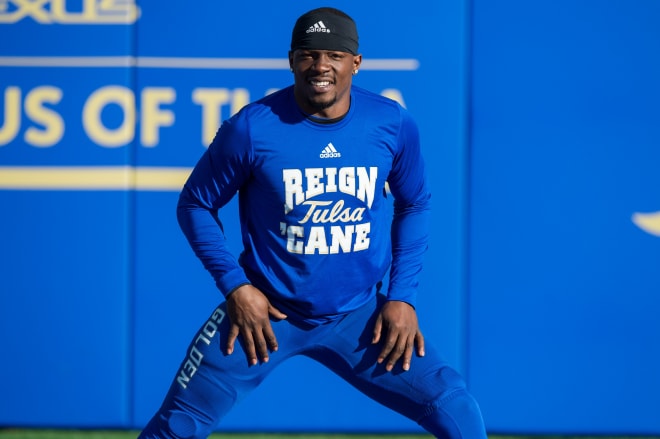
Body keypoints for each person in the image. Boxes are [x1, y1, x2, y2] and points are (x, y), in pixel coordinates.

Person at [139, 7, 487, 439]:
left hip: (359, 317)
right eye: (308, 54)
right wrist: (235, 286)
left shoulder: (391, 123)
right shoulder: (252, 129)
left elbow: (414, 205)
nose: (320, 66)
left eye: (334, 55)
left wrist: (403, 297)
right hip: (264, 315)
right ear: (291, 60)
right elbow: (195, 204)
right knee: (177, 427)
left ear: (355, 63)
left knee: (454, 406)